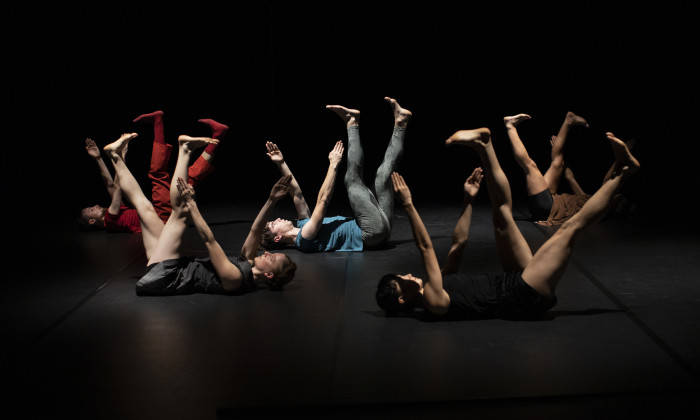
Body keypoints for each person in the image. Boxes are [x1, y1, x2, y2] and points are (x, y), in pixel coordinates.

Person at [375, 126, 639, 319]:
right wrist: (408, 204)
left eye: (401, 274)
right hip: (523, 295)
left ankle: (485, 145)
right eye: (402, 280)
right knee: (569, 229)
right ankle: (624, 172)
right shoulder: (434, 302)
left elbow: (459, 244)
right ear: (402, 299)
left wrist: (468, 200)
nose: (407, 275)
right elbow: (425, 248)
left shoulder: (436, 284)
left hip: (511, 281)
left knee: (501, 216)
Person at [102, 132, 297, 296]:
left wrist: (192, 204)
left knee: (181, 211)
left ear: (269, 275)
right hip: (173, 265)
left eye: (272, 259)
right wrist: (272, 199)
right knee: (145, 208)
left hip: (166, 275)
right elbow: (255, 231)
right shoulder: (249, 263)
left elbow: (209, 242)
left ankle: (185, 150)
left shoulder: (236, 279)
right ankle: (114, 156)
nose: (267, 253)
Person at [261, 97, 412, 252]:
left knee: (382, 176)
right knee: (351, 180)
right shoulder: (304, 239)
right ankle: (352, 122)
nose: (277, 219)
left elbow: (296, 193)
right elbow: (323, 201)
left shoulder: (302, 224)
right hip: (370, 232)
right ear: (278, 238)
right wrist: (333, 165)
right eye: (273, 224)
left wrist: (281, 163)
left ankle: (401, 122)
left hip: (379, 232)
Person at [78, 110, 227, 232]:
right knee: (158, 174)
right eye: (91, 210)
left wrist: (98, 158)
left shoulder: (115, 213)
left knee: (188, 178)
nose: (95, 206)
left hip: (163, 216)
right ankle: (159, 123)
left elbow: (110, 185)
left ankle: (217, 135)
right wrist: (120, 157)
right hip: (161, 217)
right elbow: (117, 187)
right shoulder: (110, 219)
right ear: (92, 221)